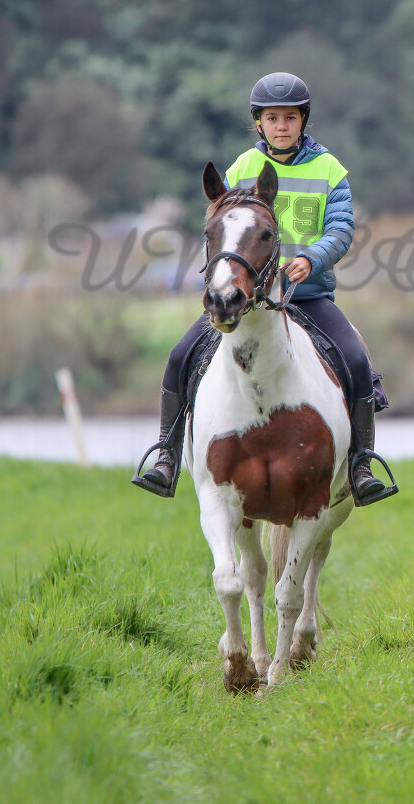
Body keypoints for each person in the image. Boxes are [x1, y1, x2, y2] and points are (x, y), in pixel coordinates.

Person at [132, 72, 392, 505]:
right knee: (180, 356)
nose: (281, 126)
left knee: (356, 359)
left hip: (308, 295)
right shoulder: (242, 169)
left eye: (290, 118)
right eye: (272, 118)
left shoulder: (329, 169)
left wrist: (312, 258)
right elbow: (225, 228)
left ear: (303, 120)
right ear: (259, 123)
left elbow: (341, 228)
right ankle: (166, 456)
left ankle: (361, 463)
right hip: (246, 300)